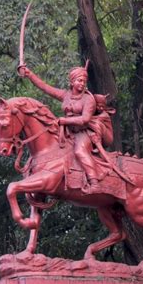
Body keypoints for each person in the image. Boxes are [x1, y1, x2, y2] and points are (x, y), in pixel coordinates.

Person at [17, 62, 101, 193]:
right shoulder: (65, 95)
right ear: (72, 81)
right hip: (67, 132)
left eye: (84, 81)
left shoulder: (88, 99)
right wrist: (29, 74)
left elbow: (85, 119)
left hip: (84, 133)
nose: (82, 83)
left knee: (79, 150)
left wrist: (64, 120)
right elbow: (45, 87)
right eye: (79, 80)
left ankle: (94, 182)